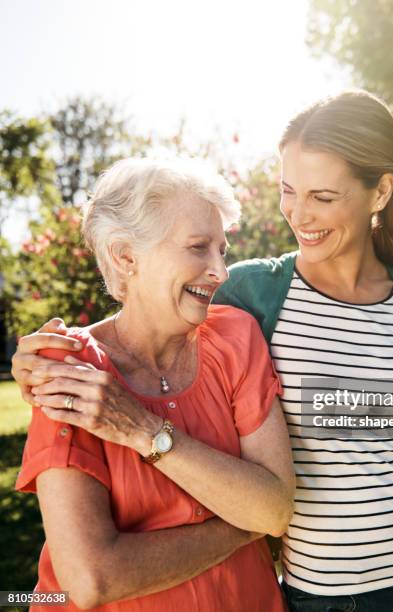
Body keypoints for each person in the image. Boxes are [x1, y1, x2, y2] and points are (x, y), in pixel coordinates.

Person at [12, 91, 393, 612]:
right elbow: (145, 309)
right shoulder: (253, 295)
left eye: (323, 196)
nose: (300, 215)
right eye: (288, 190)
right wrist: (50, 352)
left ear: (380, 192)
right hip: (331, 597)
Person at [12, 157, 295, 611]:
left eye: (222, 250)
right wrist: (244, 521)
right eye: (198, 246)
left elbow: (275, 508)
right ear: (127, 257)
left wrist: (142, 430)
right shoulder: (70, 367)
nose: (220, 272)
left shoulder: (235, 337)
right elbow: (91, 579)